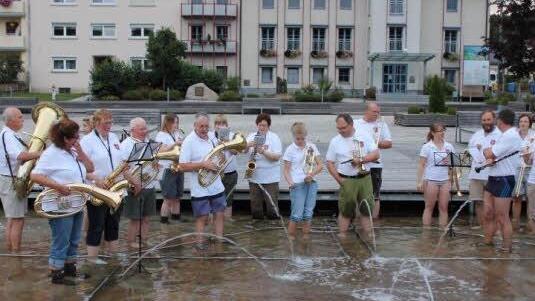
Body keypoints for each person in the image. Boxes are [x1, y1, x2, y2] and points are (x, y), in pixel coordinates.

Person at [30, 118, 95, 285]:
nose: (77, 139)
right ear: (64, 138)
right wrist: (57, 186)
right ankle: (56, 274)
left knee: (74, 238)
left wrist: (80, 151)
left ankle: (70, 269)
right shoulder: (50, 153)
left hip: (76, 203)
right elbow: (35, 175)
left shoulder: (73, 151)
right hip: (59, 205)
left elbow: (90, 168)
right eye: (75, 137)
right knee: (61, 239)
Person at [80, 109, 128, 264]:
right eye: (106, 122)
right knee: (96, 225)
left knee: (113, 224)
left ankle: (113, 255)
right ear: (96, 123)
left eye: (110, 122)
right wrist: (96, 180)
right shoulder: (87, 141)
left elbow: (119, 160)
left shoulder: (113, 137)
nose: (109, 125)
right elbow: (80, 168)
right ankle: (92, 258)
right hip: (97, 190)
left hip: (116, 188)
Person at [326, 114, 379, 238]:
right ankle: (342, 235)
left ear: (351, 125)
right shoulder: (335, 141)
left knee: (367, 208)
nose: (340, 131)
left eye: (343, 128)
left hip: (365, 177)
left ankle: (369, 235)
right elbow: (329, 162)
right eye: (338, 128)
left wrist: (362, 160)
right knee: (346, 208)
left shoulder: (364, 135)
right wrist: (339, 179)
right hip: (346, 179)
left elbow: (376, 154)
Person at [179, 113, 226, 247]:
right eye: (201, 126)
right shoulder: (189, 141)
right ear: (195, 126)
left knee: (219, 214)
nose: (204, 129)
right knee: (202, 218)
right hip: (199, 188)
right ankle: (199, 246)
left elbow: (218, 155)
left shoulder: (212, 136)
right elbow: (182, 166)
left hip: (216, 184)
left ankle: (219, 242)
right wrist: (202, 164)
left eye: (206, 126)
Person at [0, 107, 41, 252]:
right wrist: (40, 154)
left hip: (11, 179)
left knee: (12, 219)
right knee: (17, 220)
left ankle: (11, 250)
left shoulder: (12, 135)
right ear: (10, 120)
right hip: (10, 181)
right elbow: (20, 156)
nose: (22, 120)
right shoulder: (8, 136)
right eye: (19, 117)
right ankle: (16, 253)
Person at [482, 109, 522, 252]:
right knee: (488, 213)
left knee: (502, 217)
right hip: (493, 177)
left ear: (500, 120)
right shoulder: (504, 135)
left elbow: (490, 153)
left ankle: (506, 249)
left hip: (504, 179)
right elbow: (491, 156)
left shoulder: (510, 136)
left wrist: (488, 150)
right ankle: (487, 244)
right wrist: (489, 153)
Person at [283, 122, 323, 240]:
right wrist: (290, 183)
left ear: (306, 136)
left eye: (302, 138)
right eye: (297, 138)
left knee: (308, 214)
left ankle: (306, 238)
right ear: (293, 136)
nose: (300, 141)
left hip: (311, 183)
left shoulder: (311, 147)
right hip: (297, 184)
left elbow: (320, 165)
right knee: (296, 215)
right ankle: (290, 239)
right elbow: (286, 170)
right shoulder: (290, 149)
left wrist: (312, 174)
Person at [121, 117, 156, 249]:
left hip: (149, 184)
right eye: (142, 129)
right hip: (134, 186)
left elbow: (150, 162)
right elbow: (123, 169)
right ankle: (130, 243)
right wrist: (135, 183)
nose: (145, 131)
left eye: (145, 128)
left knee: (147, 218)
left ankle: (144, 241)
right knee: (135, 218)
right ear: (133, 130)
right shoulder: (126, 145)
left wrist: (155, 165)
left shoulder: (148, 142)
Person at [355, 103, 392, 219]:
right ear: (366, 111)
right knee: (358, 194)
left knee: (375, 195)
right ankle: (358, 220)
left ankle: (374, 222)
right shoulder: (356, 123)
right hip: (359, 163)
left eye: (378, 112)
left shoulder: (382, 125)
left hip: (376, 165)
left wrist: (376, 143)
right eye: (374, 112)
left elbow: (389, 143)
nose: (377, 114)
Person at [416, 122, 455, 228]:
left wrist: (452, 175)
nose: (442, 133)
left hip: (445, 180)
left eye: (443, 130)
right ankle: (426, 233)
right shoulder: (427, 147)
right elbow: (421, 164)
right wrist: (419, 181)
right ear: (433, 133)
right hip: (431, 179)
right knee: (429, 207)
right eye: (439, 131)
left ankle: (442, 231)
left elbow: (452, 165)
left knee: (443, 207)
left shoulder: (449, 146)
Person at [467, 110, 501, 228]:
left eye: (488, 119)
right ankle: (482, 228)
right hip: (475, 175)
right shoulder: (476, 134)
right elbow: (469, 150)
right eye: (484, 120)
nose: (486, 122)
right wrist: (473, 150)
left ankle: (493, 228)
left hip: (492, 175)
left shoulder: (500, 135)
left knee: (493, 204)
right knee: (478, 202)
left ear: (494, 120)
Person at [245, 113, 282, 220]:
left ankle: (273, 229)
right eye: (260, 125)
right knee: (256, 208)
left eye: (264, 125)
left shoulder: (274, 137)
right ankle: (257, 231)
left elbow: (277, 157)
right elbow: (243, 151)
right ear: (257, 125)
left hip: (271, 177)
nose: (262, 127)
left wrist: (264, 151)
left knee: (272, 208)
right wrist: (247, 145)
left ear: (268, 126)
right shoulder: (251, 136)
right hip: (253, 175)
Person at [155, 113, 184, 224]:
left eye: (177, 122)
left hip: (178, 167)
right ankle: (164, 222)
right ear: (167, 123)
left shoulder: (177, 134)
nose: (176, 125)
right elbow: (160, 151)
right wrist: (174, 144)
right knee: (168, 198)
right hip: (167, 169)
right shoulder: (161, 135)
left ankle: (176, 220)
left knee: (177, 197)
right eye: (174, 122)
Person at [214, 114, 239, 219]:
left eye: (223, 123)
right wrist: (218, 145)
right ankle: (214, 224)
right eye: (218, 123)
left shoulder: (232, 135)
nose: (220, 126)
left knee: (228, 200)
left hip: (230, 173)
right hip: (215, 173)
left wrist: (227, 144)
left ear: (226, 125)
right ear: (214, 126)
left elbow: (236, 152)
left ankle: (228, 223)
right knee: (214, 200)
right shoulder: (210, 136)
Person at [512, 113, 534, 230]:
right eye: (521, 121)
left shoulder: (534, 135)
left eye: (525, 121)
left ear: (529, 124)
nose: (523, 124)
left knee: (531, 198)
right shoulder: (513, 136)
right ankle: (515, 223)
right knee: (517, 197)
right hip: (517, 169)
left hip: (531, 170)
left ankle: (530, 224)